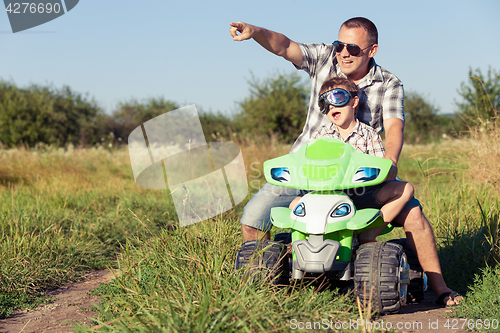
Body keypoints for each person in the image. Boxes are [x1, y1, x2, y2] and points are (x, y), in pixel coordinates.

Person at [229, 17, 462, 306]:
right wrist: (255, 33)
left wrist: (389, 162)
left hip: (360, 175)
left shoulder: (388, 83)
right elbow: (285, 46)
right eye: (340, 45)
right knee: (254, 217)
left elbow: (393, 128)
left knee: (413, 212)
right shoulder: (325, 57)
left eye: (353, 47)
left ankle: (438, 287)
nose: (344, 53)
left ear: (372, 50)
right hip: (307, 172)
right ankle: (266, 291)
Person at [289, 76, 414, 244]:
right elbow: (308, 163)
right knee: (295, 203)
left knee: (405, 189)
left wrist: (379, 170)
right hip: (327, 195)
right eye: (323, 103)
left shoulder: (369, 135)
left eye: (337, 97)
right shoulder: (320, 136)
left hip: (362, 194)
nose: (331, 105)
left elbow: (380, 168)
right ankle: (304, 241)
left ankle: (369, 234)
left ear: (354, 102)